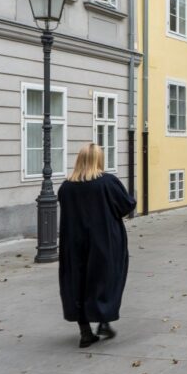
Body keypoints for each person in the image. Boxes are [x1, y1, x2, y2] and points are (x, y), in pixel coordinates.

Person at [58, 143, 136, 348]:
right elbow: (127, 205)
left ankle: (85, 331)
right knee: (106, 279)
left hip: (73, 243)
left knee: (77, 282)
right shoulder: (107, 182)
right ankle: (103, 320)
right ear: (98, 160)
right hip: (105, 240)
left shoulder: (66, 187)